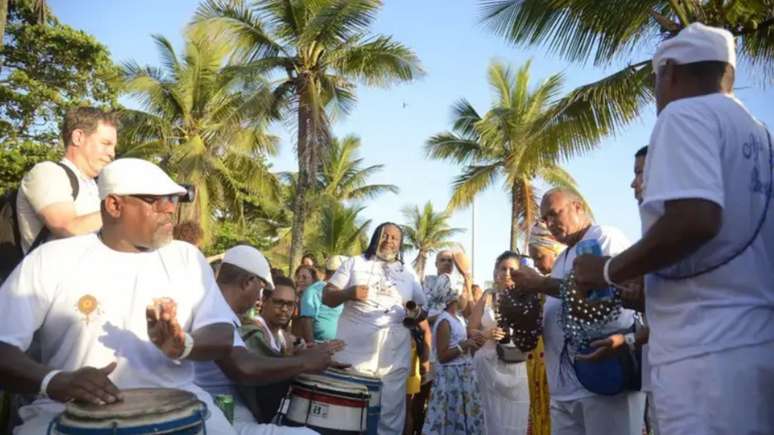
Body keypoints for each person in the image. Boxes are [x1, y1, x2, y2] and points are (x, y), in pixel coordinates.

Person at [573, 23, 774, 435]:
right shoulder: (758, 133)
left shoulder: (685, 113)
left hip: (701, 355)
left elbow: (696, 219)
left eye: (656, 82)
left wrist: (608, 270)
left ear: (671, 73)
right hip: (752, 346)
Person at [0, 158, 237, 434]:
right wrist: (54, 381)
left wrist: (182, 345)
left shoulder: (187, 259)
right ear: (114, 205)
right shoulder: (51, 259)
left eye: (172, 199)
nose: (171, 208)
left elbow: (222, 334)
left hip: (182, 408)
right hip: (65, 412)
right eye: (155, 200)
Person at [512, 187, 646, 435]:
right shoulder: (562, 258)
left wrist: (541, 284)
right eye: (545, 219)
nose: (550, 223)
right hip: (564, 390)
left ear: (578, 207)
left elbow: (607, 300)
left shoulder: (604, 237)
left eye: (554, 214)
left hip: (605, 379)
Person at [195, 244, 338, 434]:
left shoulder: (219, 308)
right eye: (261, 288)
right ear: (248, 281)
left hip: (227, 408)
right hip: (217, 412)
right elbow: (244, 367)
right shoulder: (214, 309)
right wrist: (305, 361)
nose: (259, 298)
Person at [322, 222, 427, 434]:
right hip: (354, 356)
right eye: (384, 236)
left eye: (394, 238)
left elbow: (423, 311)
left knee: (389, 418)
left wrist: (415, 313)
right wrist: (348, 293)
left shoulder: (408, 272)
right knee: (349, 415)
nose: (388, 241)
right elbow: (327, 297)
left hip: (394, 357)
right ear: (375, 238)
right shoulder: (354, 263)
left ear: (400, 244)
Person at [15, 107, 117, 254]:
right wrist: (123, 211)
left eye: (113, 147)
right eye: (106, 143)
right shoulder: (47, 172)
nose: (112, 153)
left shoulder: (95, 187)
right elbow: (67, 228)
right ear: (78, 137)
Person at [467, 251, 530, 435]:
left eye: (512, 269)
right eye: (503, 268)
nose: (507, 273)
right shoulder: (487, 296)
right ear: (496, 273)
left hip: (517, 368)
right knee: (489, 420)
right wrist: (486, 333)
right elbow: (470, 329)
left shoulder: (528, 297)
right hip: (487, 366)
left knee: (515, 419)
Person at [422, 288, 485, 434]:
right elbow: (443, 356)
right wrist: (465, 345)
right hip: (451, 378)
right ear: (455, 298)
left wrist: (473, 344)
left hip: (463, 375)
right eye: (464, 293)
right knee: (449, 417)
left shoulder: (459, 319)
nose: (466, 297)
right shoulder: (444, 321)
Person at [525, 223, 566, 435]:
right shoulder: (539, 287)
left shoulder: (571, 279)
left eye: (540, 257)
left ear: (556, 250)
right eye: (533, 260)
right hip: (541, 368)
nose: (536, 264)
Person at [297, 255, 346, 343]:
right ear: (336, 274)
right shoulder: (315, 290)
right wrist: (312, 347)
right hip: (320, 346)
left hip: (338, 347)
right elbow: (306, 320)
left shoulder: (342, 292)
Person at [291, 264, 319, 339]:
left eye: (304, 277)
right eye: (298, 277)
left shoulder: (317, 298)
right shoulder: (294, 296)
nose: (300, 280)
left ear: (313, 280)